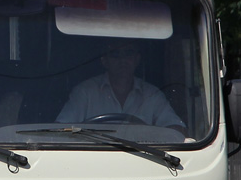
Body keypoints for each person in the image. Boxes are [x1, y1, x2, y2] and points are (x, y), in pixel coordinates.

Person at [56, 41, 186, 131]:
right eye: (115, 54)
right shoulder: (85, 92)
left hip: (144, 161)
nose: (122, 60)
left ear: (137, 59)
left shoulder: (152, 95)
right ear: (104, 61)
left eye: (128, 53)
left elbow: (177, 130)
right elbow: (62, 130)